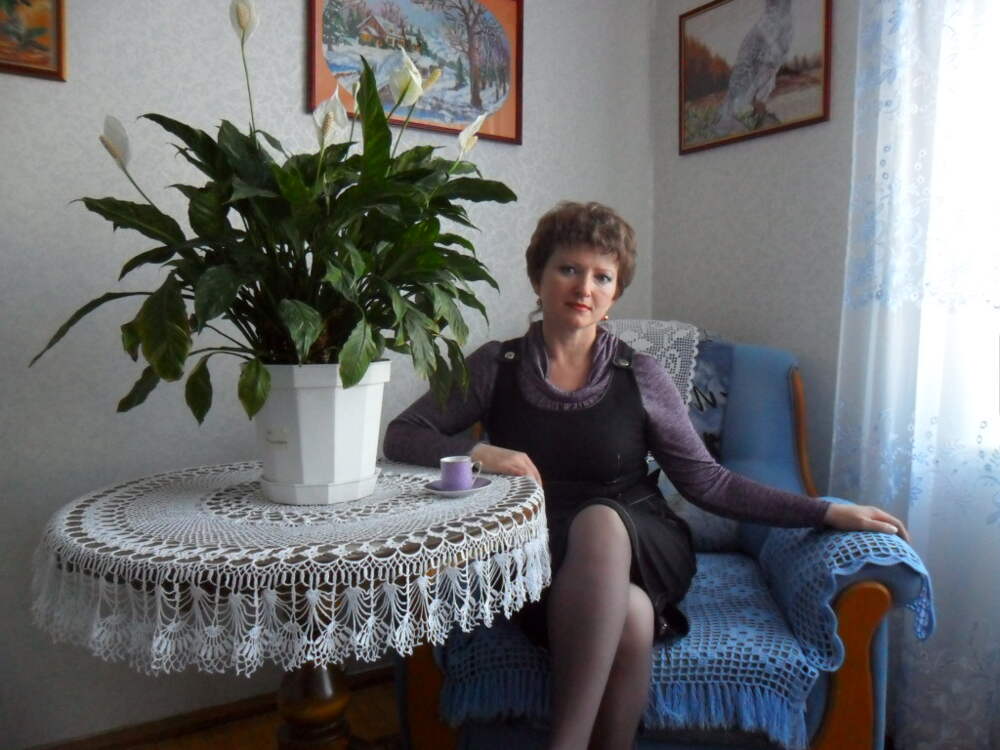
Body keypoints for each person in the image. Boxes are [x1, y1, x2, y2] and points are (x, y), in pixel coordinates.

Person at [382, 201, 909, 750]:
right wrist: (482, 455)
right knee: (632, 618)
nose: (584, 287)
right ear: (538, 277)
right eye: (568, 269)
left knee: (601, 523)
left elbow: (710, 483)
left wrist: (825, 510)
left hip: (641, 538)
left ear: (614, 293)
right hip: (536, 552)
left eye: (602, 276)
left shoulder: (640, 373)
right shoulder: (497, 365)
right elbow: (403, 435)